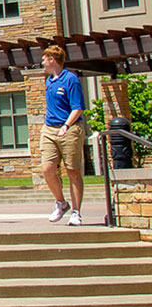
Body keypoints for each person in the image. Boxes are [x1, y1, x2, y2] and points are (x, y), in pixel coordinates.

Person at [40, 45, 85, 226]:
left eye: (44, 59)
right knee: (47, 169)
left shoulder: (70, 80)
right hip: (50, 129)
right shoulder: (49, 81)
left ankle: (76, 212)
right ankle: (61, 202)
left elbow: (78, 108)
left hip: (70, 128)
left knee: (72, 171)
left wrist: (66, 125)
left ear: (52, 59)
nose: (42, 63)